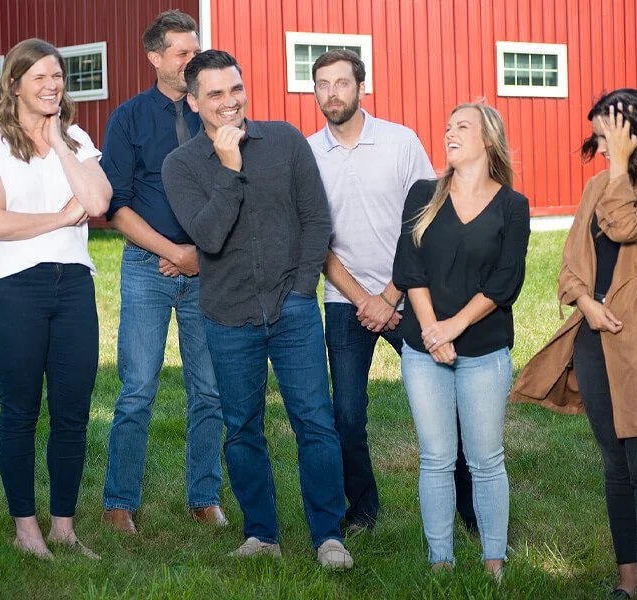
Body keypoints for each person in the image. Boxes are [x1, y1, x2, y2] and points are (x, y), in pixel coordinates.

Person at [162, 49, 352, 569]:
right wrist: (230, 169)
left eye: (235, 89)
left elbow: (316, 219)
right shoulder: (180, 166)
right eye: (215, 94)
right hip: (227, 317)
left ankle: (328, 536)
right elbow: (207, 237)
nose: (230, 102)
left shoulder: (285, 141)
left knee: (315, 423)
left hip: (292, 311)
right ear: (193, 102)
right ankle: (261, 533)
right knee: (243, 428)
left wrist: (302, 289)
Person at [511, 89, 637, 600]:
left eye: (606, 137)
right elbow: (571, 263)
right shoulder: (597, 185)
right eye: (596, 138)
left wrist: (619, 166)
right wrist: (586, 305)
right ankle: (626, 580)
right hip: (594, 339)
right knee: (615, 467)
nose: (598, 147)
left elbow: (624, 226)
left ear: (633, 133)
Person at [307, 49, 477, 534]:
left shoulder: (400, 142)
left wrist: (389, 295)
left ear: (361, 87)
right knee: (346, 416)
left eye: (342, 82)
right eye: (323, 84)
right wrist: (364, 299)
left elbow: (427, 221)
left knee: (446, 407)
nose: (333, 93)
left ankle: (470, 510)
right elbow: (314, 238)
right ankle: (362, 510)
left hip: (413, 295)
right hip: (346, 301)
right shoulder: (308, 153)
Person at [0, 38, 112, 560]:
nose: (52, 86)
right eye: (40, 77)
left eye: (58, 77)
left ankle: (64, 527)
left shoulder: (76, 137)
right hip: (13, 288)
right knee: (21, 410)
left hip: (74, 287)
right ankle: (26, 528)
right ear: (14, 83)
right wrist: (61, 218)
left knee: (72, 413)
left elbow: (98, 201)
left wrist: (60, 143)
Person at [100, 10, 226, 533]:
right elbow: (115, 206)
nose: (193, 59)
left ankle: (204, 497)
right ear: (155, 58)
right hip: (146, 266)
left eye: (196, 49)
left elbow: (233, 190)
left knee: (210, 390)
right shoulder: (128, 118)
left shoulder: (215, 114)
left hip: (209, 268)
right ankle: (119, 503)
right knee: (137, 389)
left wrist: (200, 253)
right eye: (182, 52)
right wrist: (173, 252)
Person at [393, 103, 530, 574]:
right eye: (448, 127)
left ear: (488, 140)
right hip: (423, 350)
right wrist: (433, 332)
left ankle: (494, 561)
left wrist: (453, 327)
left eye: (462, 127)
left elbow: (505, 281)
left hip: (485, 351)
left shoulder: (512, 206)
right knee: (435, 457)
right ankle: (440, 562)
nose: (449, 133)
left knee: (486, 459)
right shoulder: (422, 194)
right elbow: (409, 270)